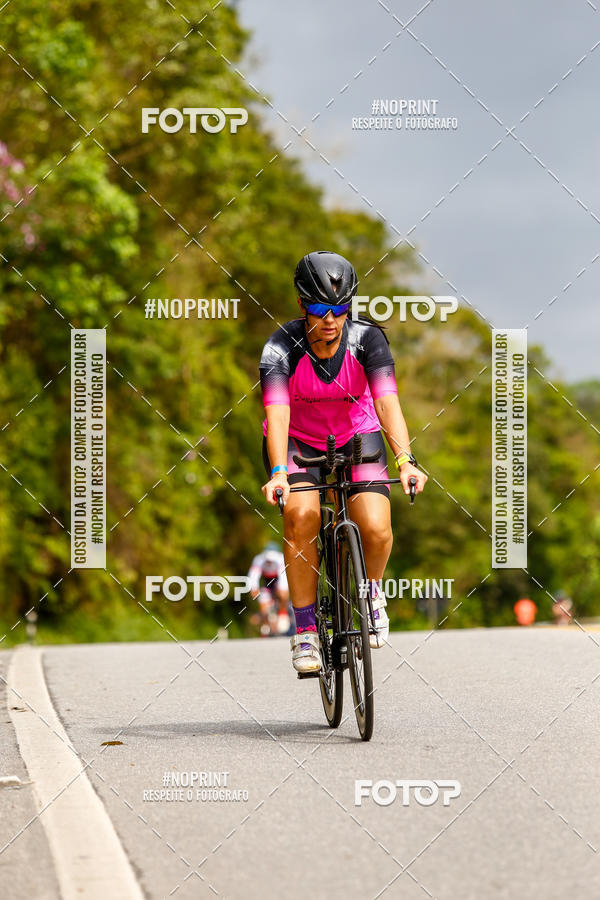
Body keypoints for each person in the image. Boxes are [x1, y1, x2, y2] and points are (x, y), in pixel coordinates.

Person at [259, 250, 427, 673]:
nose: (330, 319)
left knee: (374, 525)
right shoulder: (280, 347)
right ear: (301, 305)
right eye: (319, 309)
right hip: (299, 442)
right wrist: (279, 471)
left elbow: (388, 405)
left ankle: (370, 591)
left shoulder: (367, 340)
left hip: (358, 436)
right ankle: (305, 631)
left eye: (340, 309)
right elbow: (277, 414)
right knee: (300, 517)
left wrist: (406, 460)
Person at [247, 542, 291, 636]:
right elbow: (253, 576)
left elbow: (283, 578)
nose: (269, 561)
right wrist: (253, 588)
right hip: (266, 584)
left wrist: (282, 591)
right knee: (263, 606)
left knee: (283, 594)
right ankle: (265, 625)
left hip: (278, 581)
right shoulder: (258, 559)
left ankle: (283, 613)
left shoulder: (281, 558)